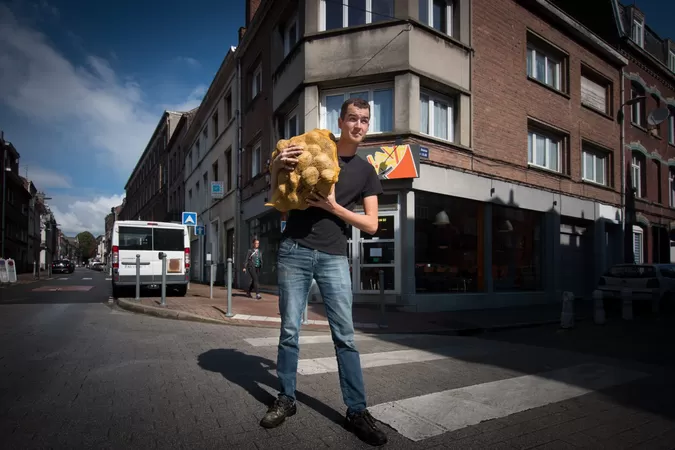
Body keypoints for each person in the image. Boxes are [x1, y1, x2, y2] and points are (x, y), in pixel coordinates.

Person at [259, 98, 388, 447]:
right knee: (289, 330)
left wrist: (333, 207)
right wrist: (275, 166)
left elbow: (372, 225)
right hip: (294, 250)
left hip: (333, 256)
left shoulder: (365, 171)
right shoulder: (313, 146)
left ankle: (356, 411)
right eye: (352, 119)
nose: (358, 126)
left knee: (345, 335)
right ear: (341, 120)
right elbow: (276, 192)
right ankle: (286, 398)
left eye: (365, 120)